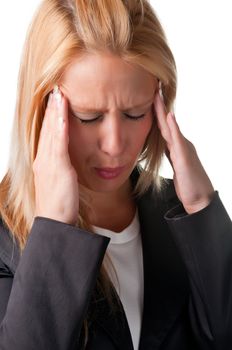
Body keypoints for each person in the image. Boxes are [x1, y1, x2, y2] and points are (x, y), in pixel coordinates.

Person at [0, 0, 231, 349]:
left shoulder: (183, 217)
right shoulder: (5, 240)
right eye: (88, 117)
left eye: (135, 114)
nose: (115, 145)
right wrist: (54, 229)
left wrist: (202, 208)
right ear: (41, 110)